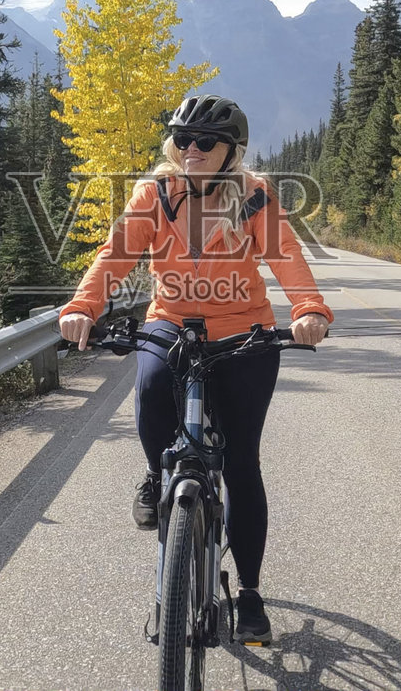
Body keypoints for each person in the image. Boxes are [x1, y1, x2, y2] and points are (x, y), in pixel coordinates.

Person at [58, 94, 333, 645]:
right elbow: (115, 255)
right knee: (151, 389)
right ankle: (155, 473)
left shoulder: (253, 196)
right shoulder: (155, 193)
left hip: (243, 330)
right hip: (171, 322)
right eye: (183, 139)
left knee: (241, 464)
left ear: (232, 151)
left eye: (206, 141)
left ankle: (250, 593)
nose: (192, 149)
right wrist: (83, 306)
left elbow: (286, 257)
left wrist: (308, 309)